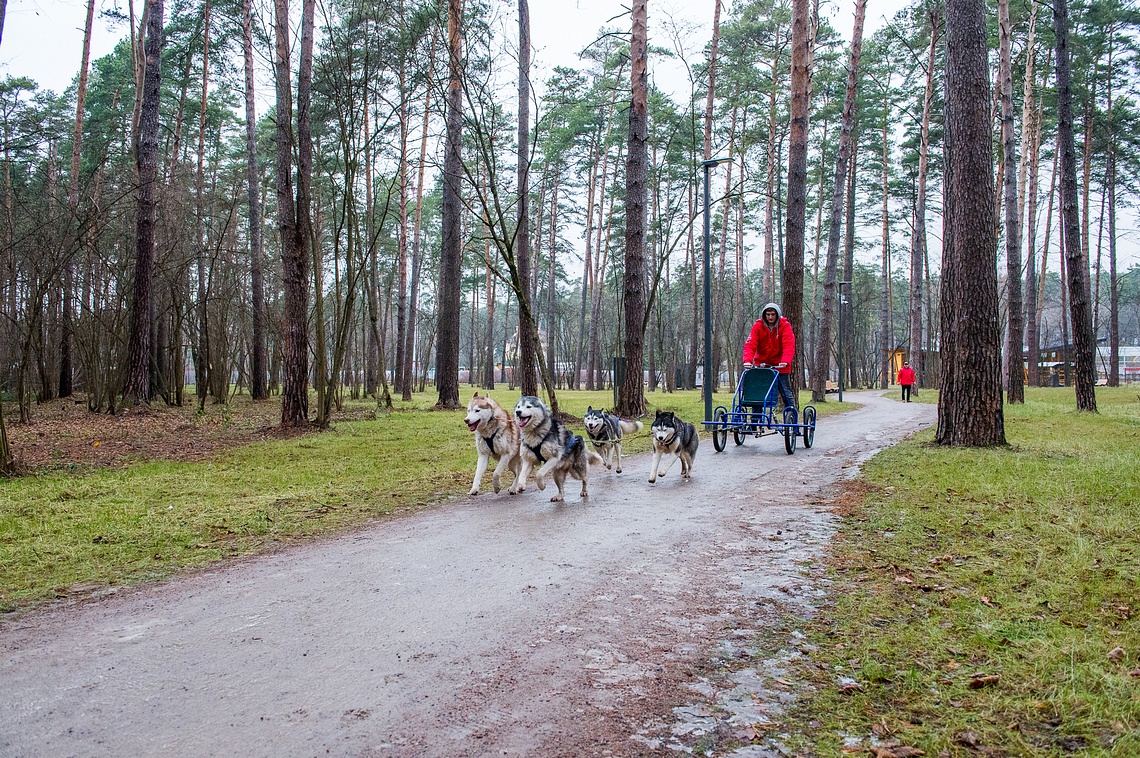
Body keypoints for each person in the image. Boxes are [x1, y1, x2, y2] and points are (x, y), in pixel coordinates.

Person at [742, 302, 796, 410]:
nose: (770, 317)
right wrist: (748, 360)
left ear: (777, 314)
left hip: (780, 366)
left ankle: (792, 414)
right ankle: (755, 420)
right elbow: (751, 344)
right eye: (768, 314)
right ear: (764, 315)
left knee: (786, 392)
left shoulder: (785, 326)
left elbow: (788, 345)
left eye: (772, 314)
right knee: (758, 394)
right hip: (762, 365)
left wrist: (785, 361)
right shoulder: (758, 326)